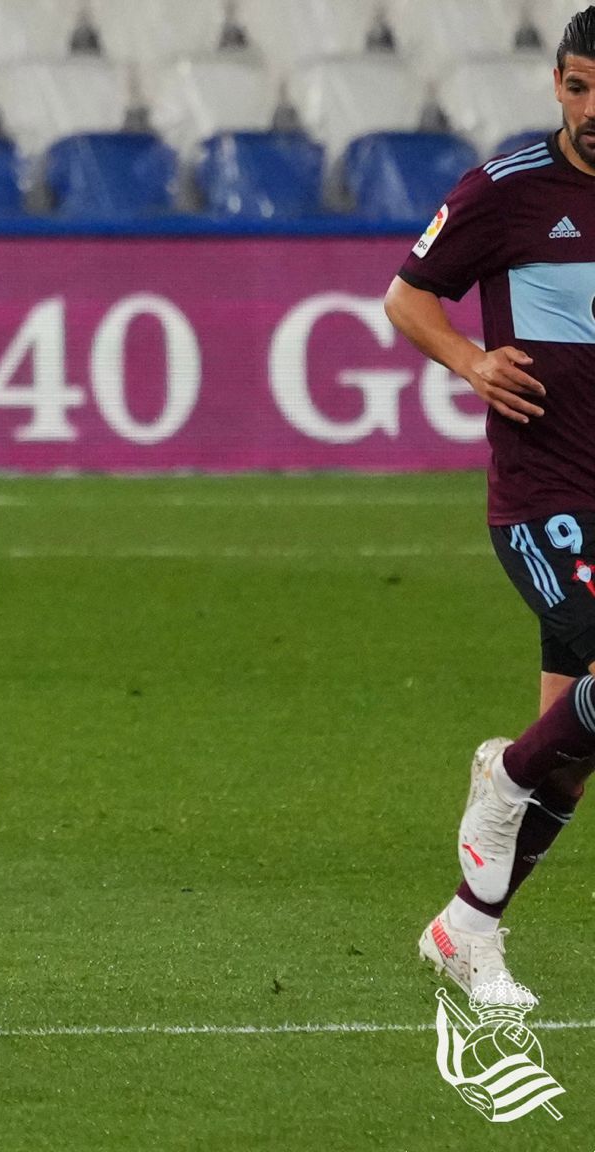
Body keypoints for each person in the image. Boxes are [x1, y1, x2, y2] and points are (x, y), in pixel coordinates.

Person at [388, 7, 595, 997]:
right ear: (555, 83)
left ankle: (466, 929)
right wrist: (469, 360)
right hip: (544, 491)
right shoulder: (507, 191)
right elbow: (406, 296)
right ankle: (500, 778)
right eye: (577, 87)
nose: (591, 110)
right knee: (548, 754)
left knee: (573, 752)